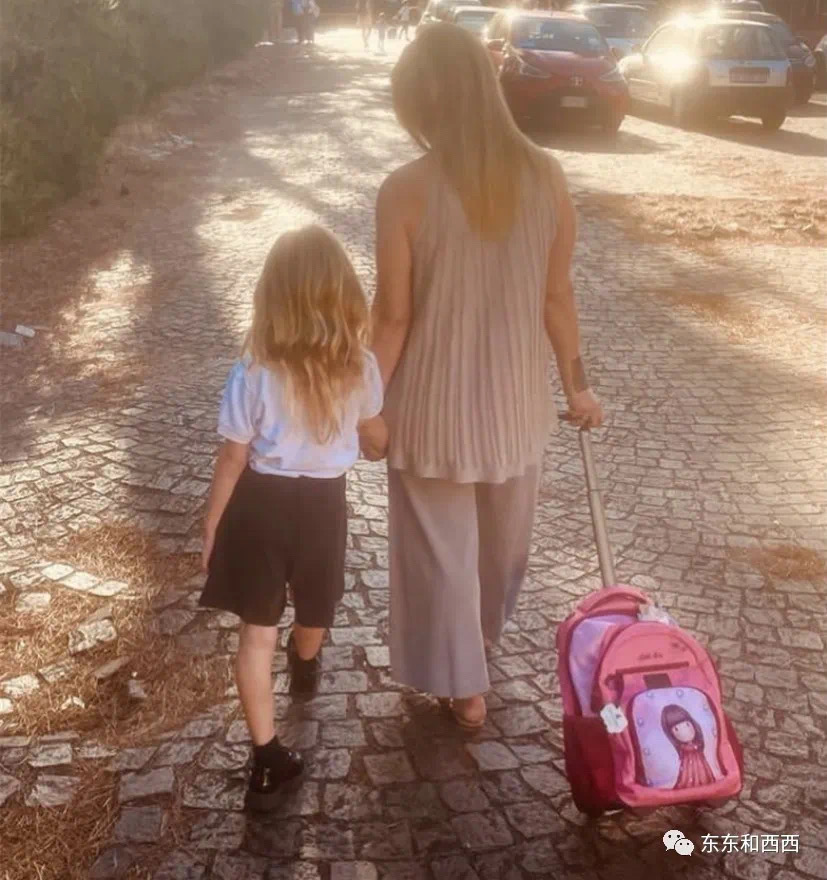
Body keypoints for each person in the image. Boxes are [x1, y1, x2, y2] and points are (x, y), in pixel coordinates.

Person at [362, 24, 603, 731]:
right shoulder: (546, 175)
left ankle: (465, 687)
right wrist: (577, 387)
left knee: (440, 553)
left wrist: (364, 405)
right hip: (514, 408)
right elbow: (556, 296)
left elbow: (393, 316)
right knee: (502, 551)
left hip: (427, 409)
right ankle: (482, 644)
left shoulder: (404, 190)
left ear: (419, 102)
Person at [200, 226, 386, 810]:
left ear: (272, 295)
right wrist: (377, 440)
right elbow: (375, 433)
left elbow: (232, 456)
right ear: (343, 293)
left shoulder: (254, 368)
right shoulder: (359, 367)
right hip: (323, 506)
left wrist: (212, 525)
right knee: (316, 608)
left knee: (255, 633)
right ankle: (305, 660)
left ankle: (266, 756)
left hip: (260, 504)